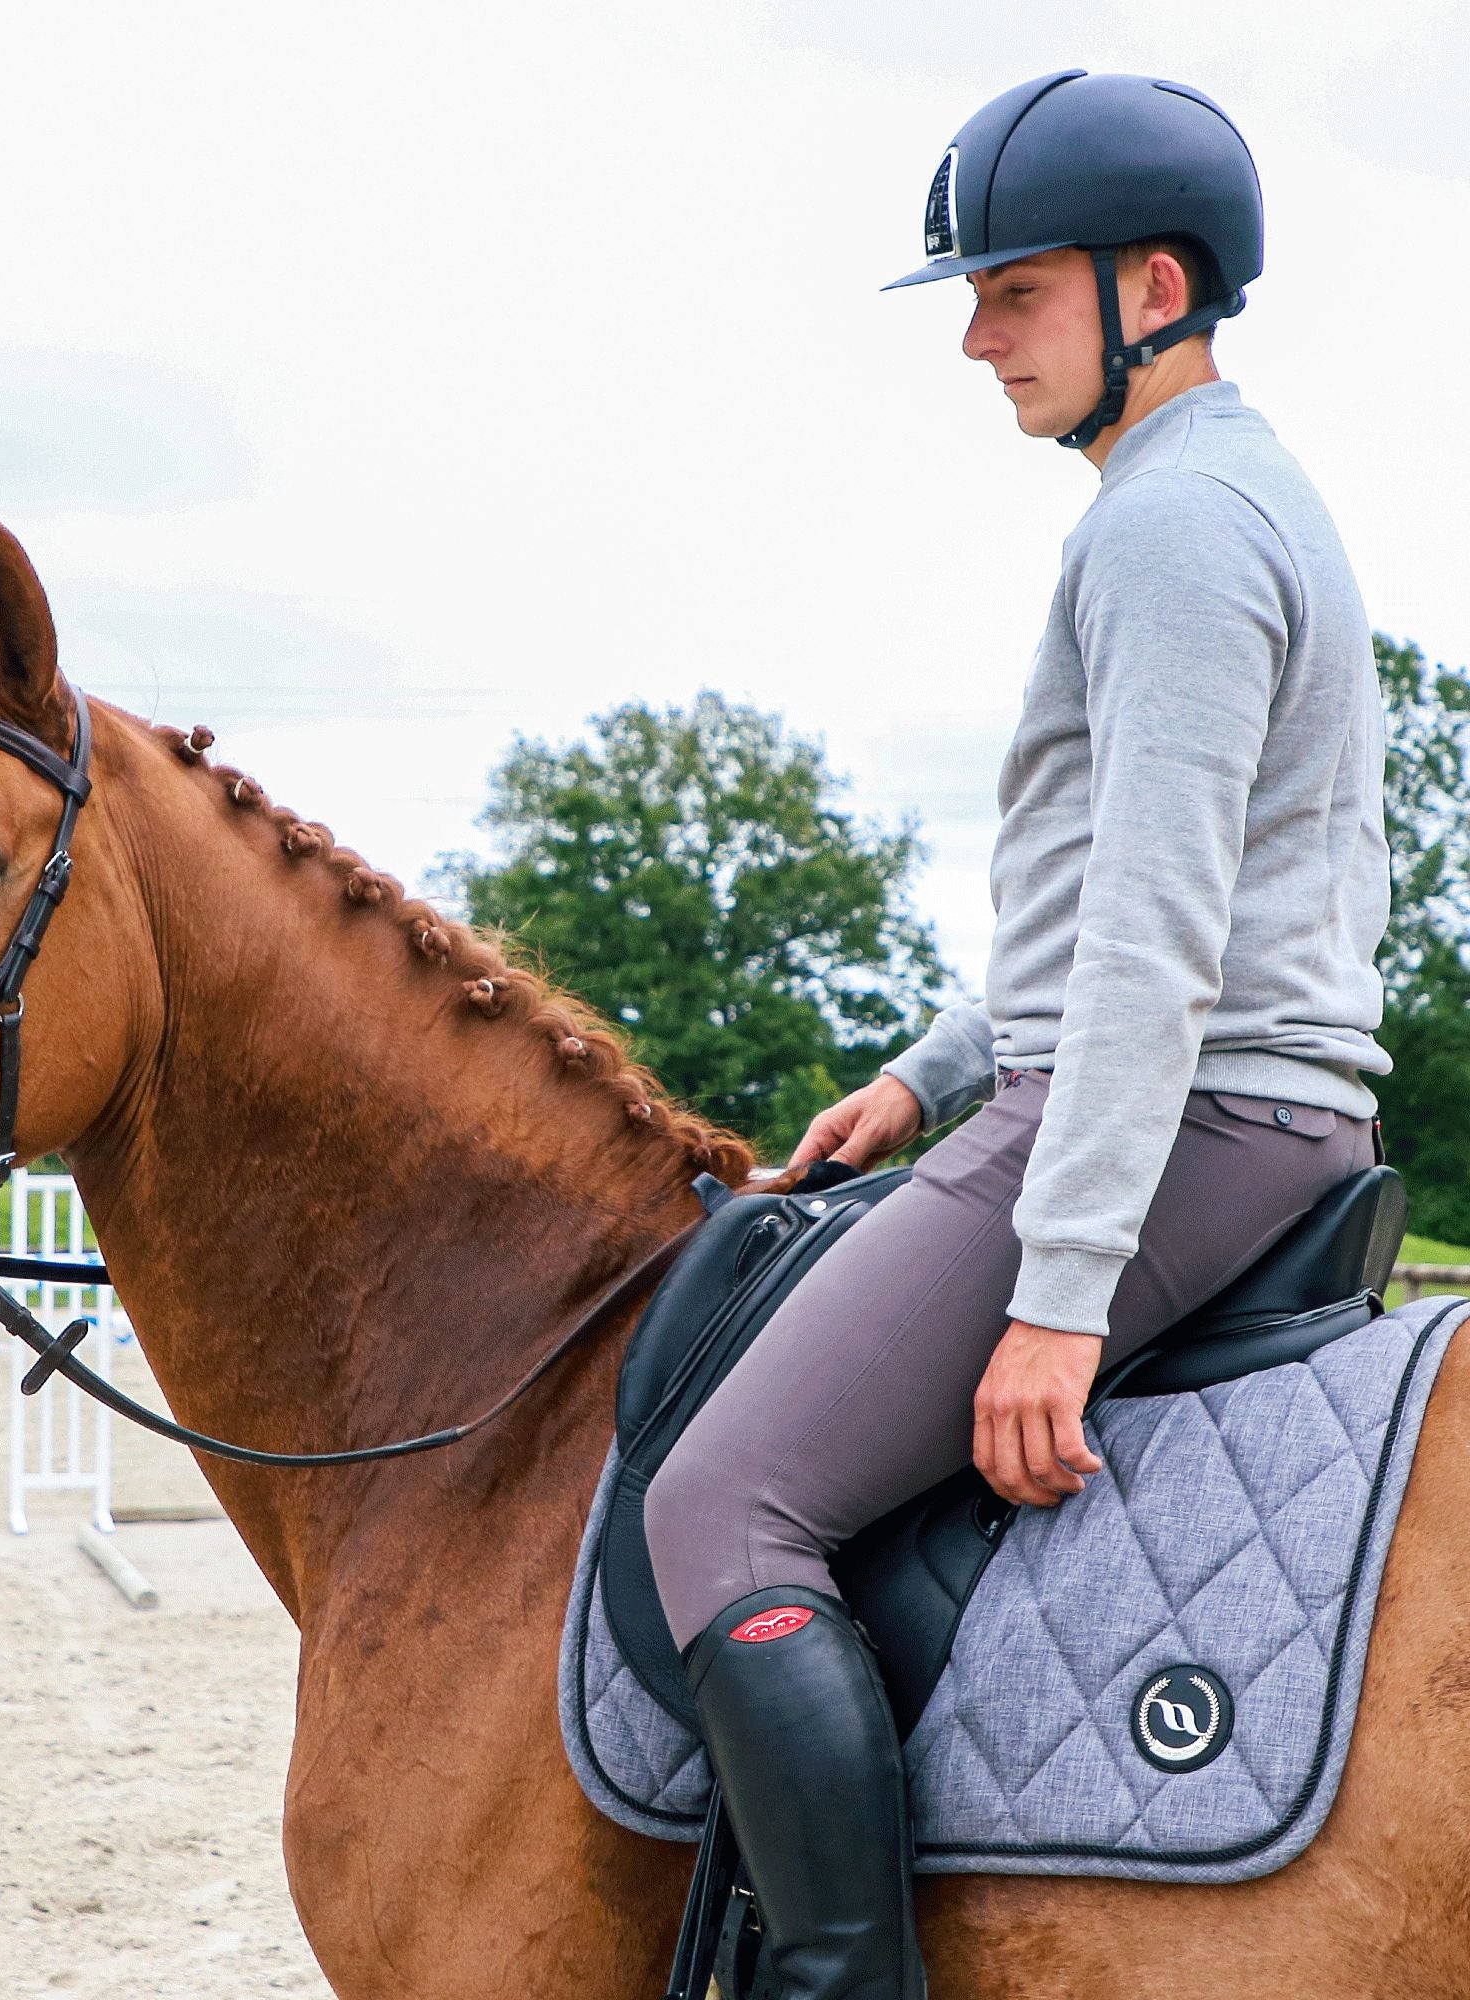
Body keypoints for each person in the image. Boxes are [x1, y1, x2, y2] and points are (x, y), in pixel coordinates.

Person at [641, 70, 1393, 1999]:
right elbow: (1129, 903)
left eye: (1017, 293)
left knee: (722, 1504)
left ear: (1158, 284)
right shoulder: (1213, 495)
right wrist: (929, 1074)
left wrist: (1058, 1294)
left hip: (1184, 1117)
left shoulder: (1176, 529)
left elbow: (1156, 949)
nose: (975, 338)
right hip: (1204, 1095)